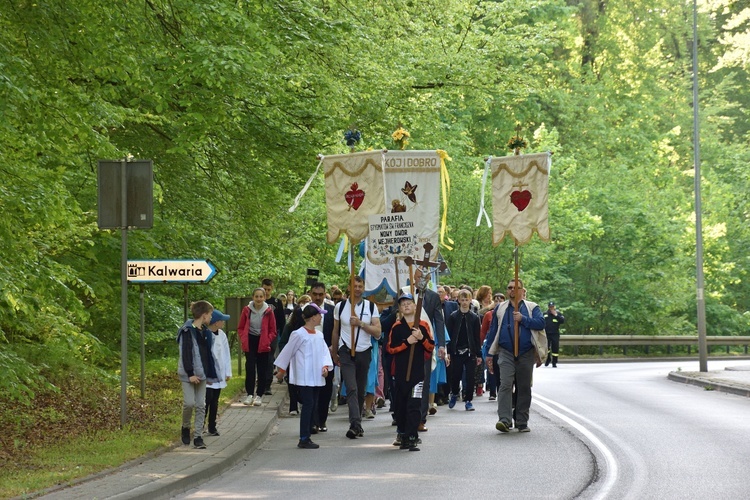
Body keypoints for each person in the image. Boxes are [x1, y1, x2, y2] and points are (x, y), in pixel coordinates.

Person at [486, 279, 545, 433]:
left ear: (521, 290)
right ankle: (504, 420)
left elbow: (540, 323)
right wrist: (489, 354)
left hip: (525, 353)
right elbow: (493, 332)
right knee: (505, 384)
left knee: (523, 386)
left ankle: (521, 421)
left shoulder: (532, 307)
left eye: (515, 288)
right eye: (509, 288)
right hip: (505, 352)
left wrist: (523, 319)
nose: (511, 290)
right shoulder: (501, 308)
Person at [275, 303, 334, 449]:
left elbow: (324, 353)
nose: (321, 317)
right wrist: (281, 371)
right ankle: (304, 437)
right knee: (308, 404)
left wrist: (326, 366)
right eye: (319, 314)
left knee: (313, 404)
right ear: (313, 317)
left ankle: (307, 435)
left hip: (316, 376)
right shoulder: (298, 334)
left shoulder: (319, 335)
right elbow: (287, 352)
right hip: (304, 376)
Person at [331, 276, 381, 439]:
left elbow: (378, 332)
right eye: (355, 285)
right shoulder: (340, 306)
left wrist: (361, 324)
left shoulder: (370, 306)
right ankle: (355, 424)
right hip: (346, 350)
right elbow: (335, 330)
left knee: (360, 389)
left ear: (364, 288)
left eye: (360, 286)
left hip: (364, 351)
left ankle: (357, 420)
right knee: (351, 387)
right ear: (349, 287)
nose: (358, 288)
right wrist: (334, 353)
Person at [387, 293, 434, 451]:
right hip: (400, 373)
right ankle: (403, 432)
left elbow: (430, 347)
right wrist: (407, 342)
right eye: (403, 304)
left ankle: (412, 436)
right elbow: (390, 348)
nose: (406, 306)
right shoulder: (397, 327)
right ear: (399, 308)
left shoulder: (423, 325)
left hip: (417, 374)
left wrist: (421, 338)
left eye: (409, 303)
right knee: (401, 405)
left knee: (414, 404)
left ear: (415, 306)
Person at [177, 300, 218, 449]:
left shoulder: (206, 333)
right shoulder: (187, 331)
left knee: (201, 405)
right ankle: (185, 427)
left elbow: (208, 355)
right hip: (188, 374)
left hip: (202, 374)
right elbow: (186, 354)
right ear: (204, 314)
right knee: (189, 403)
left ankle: (198, 436)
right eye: (210, 314)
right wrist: (190, 374)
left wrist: (210, 374)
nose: (211, 318)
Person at [237, 288, 277, 406]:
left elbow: (273, 330)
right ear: (253, 297)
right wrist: (244, 338)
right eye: (256, 296)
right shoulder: (246, 310)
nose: (259, 299)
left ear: (264, 297)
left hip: (263, 341)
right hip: (250, 340)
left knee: (262, 369)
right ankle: (249, 394)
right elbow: (240, 327)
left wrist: (267, 340)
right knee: (250, 368)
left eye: (261, 296)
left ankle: (259, 395)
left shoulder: (269, 311)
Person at [446, 289, 482, 411]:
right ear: (458, 300)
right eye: (462, 300)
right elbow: (449, 336)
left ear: (471, 300)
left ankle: (468, 400)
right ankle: (455, 393)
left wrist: (478, 354)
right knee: (455, 375)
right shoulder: (453, 317)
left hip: (470, 351)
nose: (465, 302)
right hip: (456, 351)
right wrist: (449, 352)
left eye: (467, 300)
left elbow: (477, 337)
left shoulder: (474, 318)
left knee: (470, 377)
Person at [308, 283, 335, 432]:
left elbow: (336, 331)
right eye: (315, 294)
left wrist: (334, 348)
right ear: (311, 294)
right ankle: (312, 420)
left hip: (327, 356)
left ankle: (322, 420)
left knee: (326, 389)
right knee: (310, 389)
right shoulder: (304, 311)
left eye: (321, 294)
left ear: (325, 294)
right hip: (309, 357)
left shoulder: (331, 310)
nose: (318, 297)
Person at [205, 309, 232, 437]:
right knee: (206, 400)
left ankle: (212, 426)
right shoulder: (205, 334)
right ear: (216, 322)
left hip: (219, 373)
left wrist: (228, 372)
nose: (223, 323)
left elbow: (226, 354)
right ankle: (200, 425)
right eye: (222, 321)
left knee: (215, 401)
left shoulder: (222, 335)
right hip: (208, 374)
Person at [262, 278, 286, 395]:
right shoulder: (258, 301)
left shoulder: (276, 302)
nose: (266, 292)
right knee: (259, 359)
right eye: (264, 289)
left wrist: (281, 333)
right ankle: (260, 381)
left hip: (272, 334)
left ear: (272, 289)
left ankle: (267, 384)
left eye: (268, 289)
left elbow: (281, 320)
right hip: (259, 333)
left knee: (270, 358)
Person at [544, 301, 565, 367]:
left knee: (555, 348)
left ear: (554, 307)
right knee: (546, 348)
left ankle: (554, 362)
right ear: (548, 307)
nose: (551, 308)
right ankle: (548, 359)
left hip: (555, 334)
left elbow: (562, 321)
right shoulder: (545, 314)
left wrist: (556, 315)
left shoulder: (558, 314)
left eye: (552, 307)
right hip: (546, 334)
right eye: (550, 307)